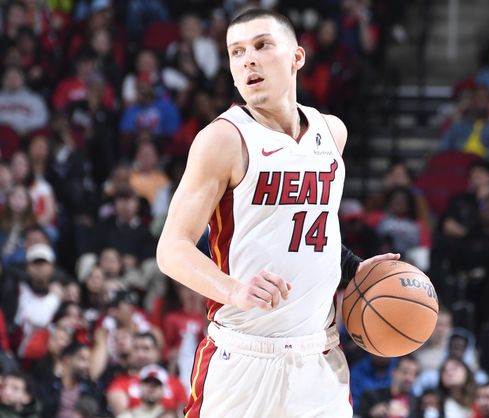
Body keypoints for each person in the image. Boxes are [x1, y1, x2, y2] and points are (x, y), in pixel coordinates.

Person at [156, 9, 397, 417]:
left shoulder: (332, 132)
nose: (248, 59)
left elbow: (309, 224)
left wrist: (353, 268)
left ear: (296, 57)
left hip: (319, 359)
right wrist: (234, 290)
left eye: (262, 45)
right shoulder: (223, 139)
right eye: (236, 52)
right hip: (243, 358)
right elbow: (171, 249)